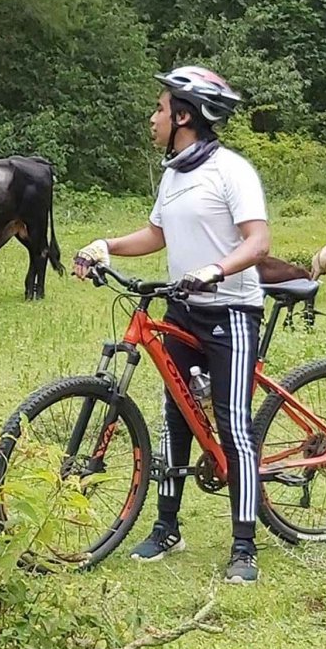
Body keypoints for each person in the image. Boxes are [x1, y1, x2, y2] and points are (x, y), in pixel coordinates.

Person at [72, 66, 270, 583]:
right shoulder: (174, 174)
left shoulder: (232, 171)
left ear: (184, 115)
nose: (153, 117)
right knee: (176, 415)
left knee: (233, 426)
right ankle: (167, 527)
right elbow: (156, 235)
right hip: (183, 307)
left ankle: (245, 546)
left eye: (160, 109)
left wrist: (216, 270)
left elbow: (257, 242)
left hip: (231, 310)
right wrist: (106, 246)